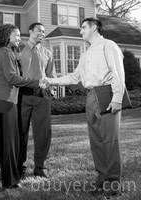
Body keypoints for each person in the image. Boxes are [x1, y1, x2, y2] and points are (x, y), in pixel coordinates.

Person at [43, 18, 125, 198]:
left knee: (109, 140)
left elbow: (118, 71)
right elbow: (74, 77)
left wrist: (117, 98)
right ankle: (102, 178)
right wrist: (51, 80)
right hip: (90, 96)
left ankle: (113, 183)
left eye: (83, 28)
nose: (80, 32)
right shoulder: (86, 53)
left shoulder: (108, 45)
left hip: (107, 93)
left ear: (94, 28)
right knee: (96, 141)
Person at [0, 24, 43, 189]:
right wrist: (37, 83)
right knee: (9, 143)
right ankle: (11, 181)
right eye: (17, 35)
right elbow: (12, 78)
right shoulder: (6, 52)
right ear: (7, 36)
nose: (19, 38)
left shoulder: (2, 52)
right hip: (6, 102)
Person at [18, 22, 56, 178]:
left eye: (44, 32)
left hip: (42, 97)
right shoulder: (18, 50)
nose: (42, 33)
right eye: (39, 31)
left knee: (43, 133)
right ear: (30, 31)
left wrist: (51, 91)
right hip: (22, 96)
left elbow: (51, 76)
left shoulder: (47, 53)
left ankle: (40, 167)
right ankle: (19, 165)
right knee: (20, 132)